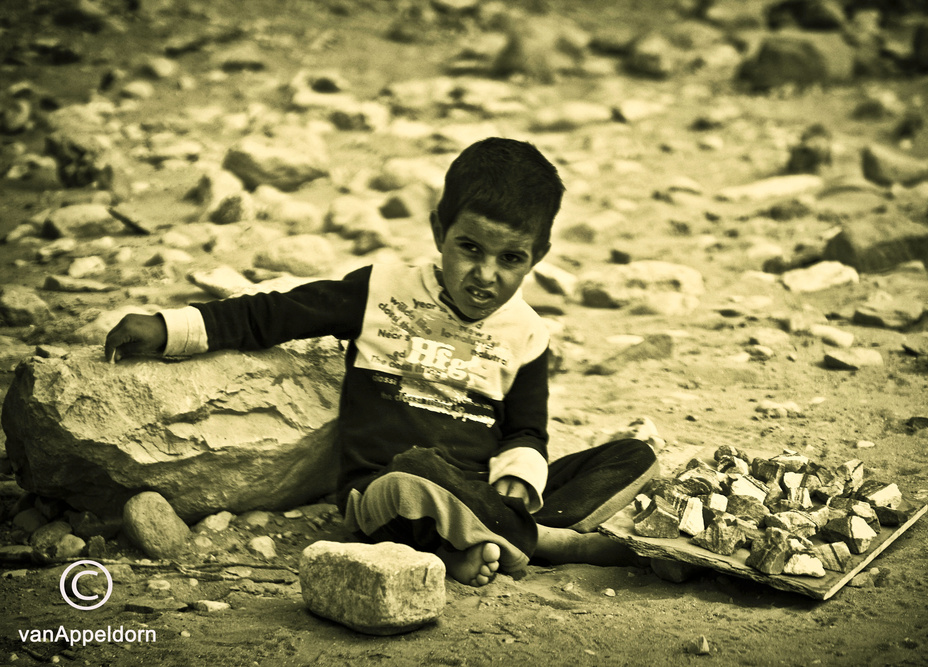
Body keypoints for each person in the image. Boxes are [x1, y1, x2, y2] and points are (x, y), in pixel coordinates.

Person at [105, 137, 658, 586]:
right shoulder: (382, 289)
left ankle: (492, 536)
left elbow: (527, 431)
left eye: (511, 258)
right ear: (440, 230)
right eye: (470, 248)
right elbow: (274, 314)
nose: (486, 275)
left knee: (633, 454)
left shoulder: (528, 333)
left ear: (538, 256)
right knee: (415, 475)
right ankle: (546, 542)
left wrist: (519, 478)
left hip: (478, 492)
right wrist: (172, 328)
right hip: (387, 489)